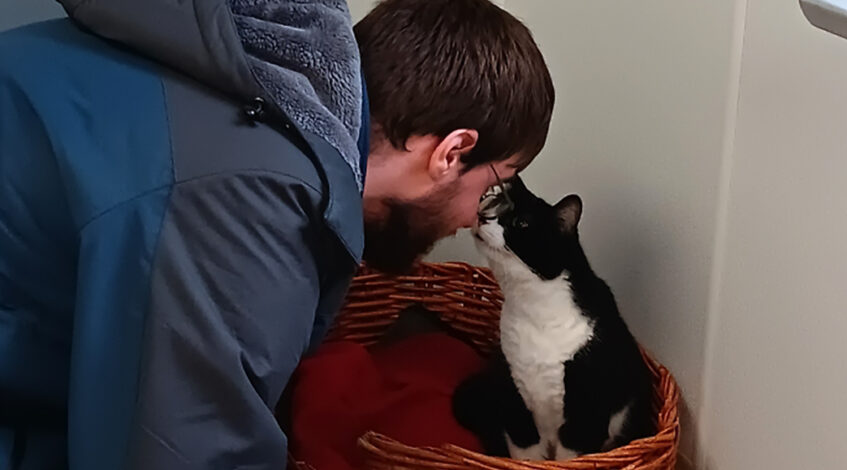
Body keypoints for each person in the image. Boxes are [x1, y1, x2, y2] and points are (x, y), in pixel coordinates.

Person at [0, 0, 554, 468]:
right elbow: (185, 451)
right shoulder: (255, 199)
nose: (469, 220)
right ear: (451, 152)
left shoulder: (268, 82)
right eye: (491, 186)